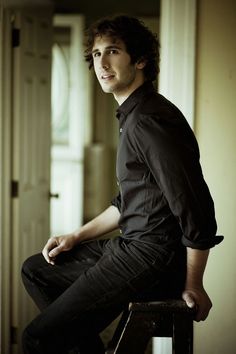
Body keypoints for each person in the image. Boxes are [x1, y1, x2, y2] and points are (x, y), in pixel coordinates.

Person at [21, 15, 223, 354]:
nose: (102, 62)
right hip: (131, 244)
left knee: (36, 338)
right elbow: (126, 203)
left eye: (112, 51)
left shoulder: (148, 120)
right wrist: (76, 235)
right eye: (97, 54)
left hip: (151, 256)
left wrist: (194, 282)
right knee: (37, 269)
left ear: (140, 59)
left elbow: (194, 204)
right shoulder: (133, 115)